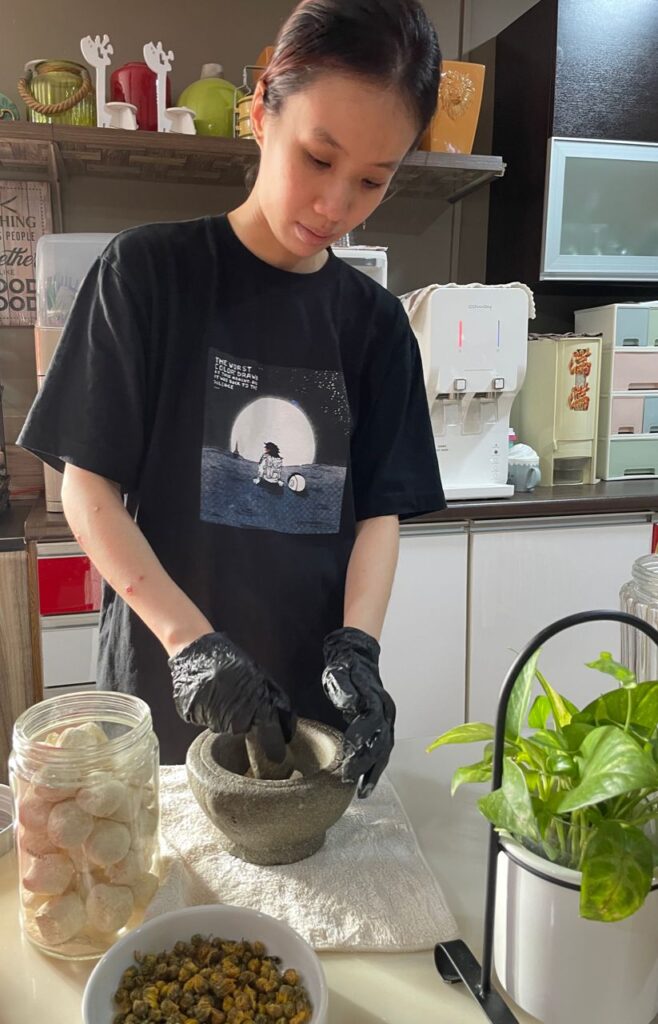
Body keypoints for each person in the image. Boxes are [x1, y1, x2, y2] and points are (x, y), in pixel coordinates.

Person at [19, 0, 445, 797]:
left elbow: (378, 515)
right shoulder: (148, 276)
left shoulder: (377, 326)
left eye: (371, 181)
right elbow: (88, 491)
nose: (336, 206)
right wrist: (194, 646)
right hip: (167, 677)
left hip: (305, 709)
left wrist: (359, 646)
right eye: (318, 158)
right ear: (260, 114)